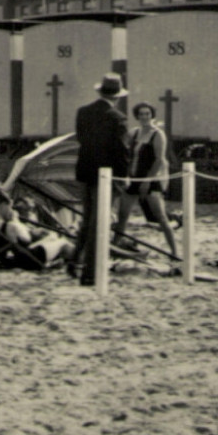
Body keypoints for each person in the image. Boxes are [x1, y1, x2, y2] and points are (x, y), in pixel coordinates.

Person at [73, 73, 131, 286]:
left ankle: (75, 261)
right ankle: (89, 273)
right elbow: (122, 151)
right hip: (106, 175)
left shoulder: (83, 112)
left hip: (85, 171)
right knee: (99, 224)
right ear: (117, 96)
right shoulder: (118, 118)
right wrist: (123, 176)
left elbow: (81, 139)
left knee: (87, 220)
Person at [114, 101, 179, 261]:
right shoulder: (134, 133)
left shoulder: (158, 134)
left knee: (161, 217)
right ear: (137, 116)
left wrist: (148, 181)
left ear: (152, 115)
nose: (144, 117)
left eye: (147, 114)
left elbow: (159, 160)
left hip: (151, 178)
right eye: (141, 114)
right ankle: (115, 246)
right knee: (122, 215)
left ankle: (174, 251)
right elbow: (121, 147)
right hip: (133, 178)